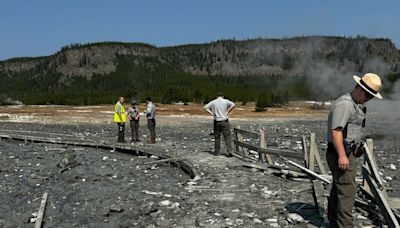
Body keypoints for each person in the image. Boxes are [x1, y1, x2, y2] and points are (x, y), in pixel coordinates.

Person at [326, 73, 383, 228]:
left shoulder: (354, 104)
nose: (368, 98)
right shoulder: (346, 104)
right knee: (348, 192)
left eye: (371, 96)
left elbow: (348, 132)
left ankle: (333, 221)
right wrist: (343, 155)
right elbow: (336, 131)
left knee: (340, 187)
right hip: (340, 152)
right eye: (367, 94)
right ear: (358, 88)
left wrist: (354, 149)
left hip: (345, 151)